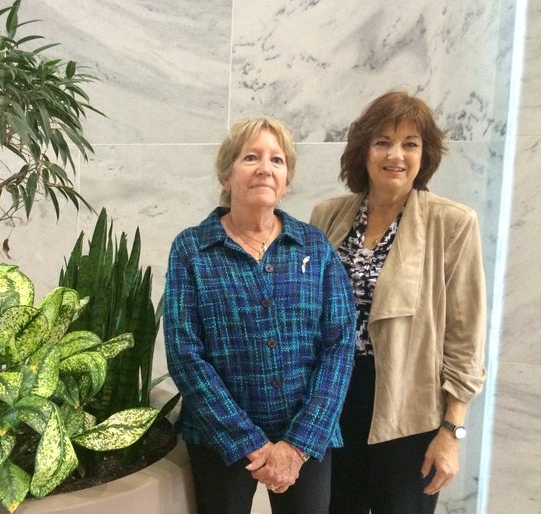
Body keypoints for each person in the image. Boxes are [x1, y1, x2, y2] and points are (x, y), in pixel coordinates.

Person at [163, 116, 357, 514]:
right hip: (219, 440)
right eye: (251, 157)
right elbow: (184, 353)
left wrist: (297, 445)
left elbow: (339, 344)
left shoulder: (314, 246)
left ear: (286, 179)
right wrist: (248, 441)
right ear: (227, 176)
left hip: (306, 438)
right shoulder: (191, 249)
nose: (266, 168)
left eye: (277, 160)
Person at [309, 90, 487, 514]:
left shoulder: (453, 223)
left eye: (410, 143)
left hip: (409, 413)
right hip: (331, 403)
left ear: (424, 156)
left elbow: (466, 338)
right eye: (383, 142)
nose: (397, 155)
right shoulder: (326, 217)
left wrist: (451, 433)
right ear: (363, 151)